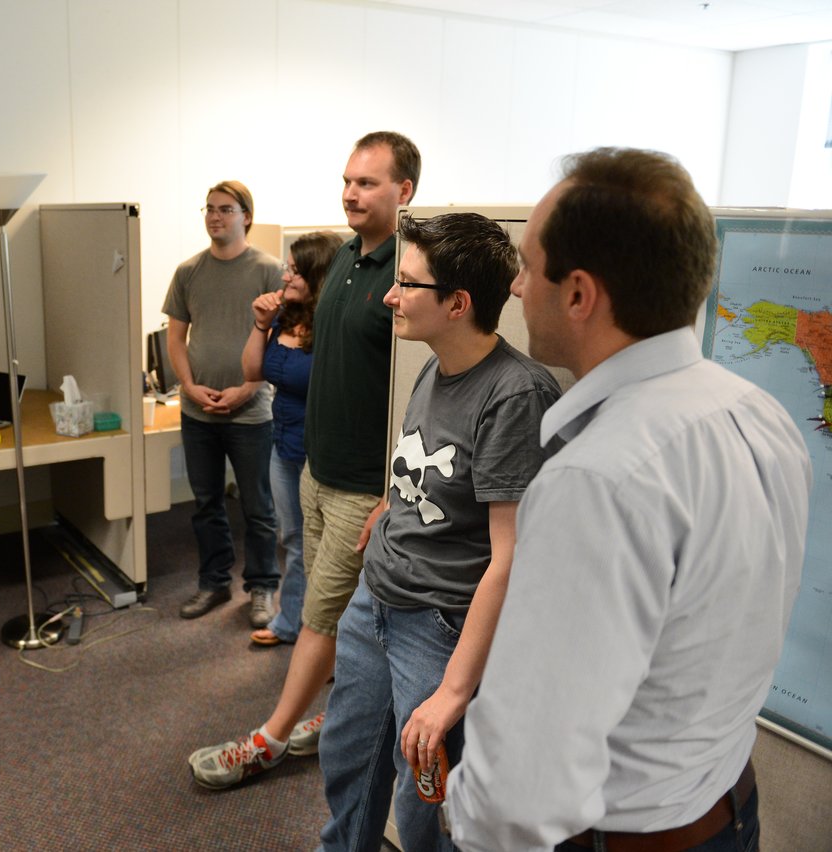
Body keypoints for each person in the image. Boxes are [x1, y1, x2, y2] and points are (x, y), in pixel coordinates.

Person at [445, 148, 812, 851]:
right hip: (729, 810)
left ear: (580, 294)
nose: (517, 288)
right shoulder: (760, 414)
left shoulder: (598, 479)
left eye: (527, 266)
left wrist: (466, 821)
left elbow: (523, 779)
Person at [318, 213, 561, 852]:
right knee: (347, 760)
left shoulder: (514, 395)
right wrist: (388, 508)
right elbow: (423, 465)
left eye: (407, 285)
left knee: (424, 804)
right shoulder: (432, 365)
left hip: (437, 624)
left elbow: (511, 558)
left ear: (457, 304)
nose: (390, 297)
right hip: (377, 601)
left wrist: (454, 690)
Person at [189, 131, 419, 787]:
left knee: (320, 616)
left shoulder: (410, 272)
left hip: (360, 488)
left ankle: (271, 735)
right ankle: (342, 714)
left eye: (368, 183)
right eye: (347, 180)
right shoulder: (346, 258)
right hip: (316, 471)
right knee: (340, 617)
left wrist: (392, 491)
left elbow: (420, 388)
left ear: (403, 192)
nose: (351, 192)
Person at [163, 180, 283, 628]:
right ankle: (213, 582)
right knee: (206, 503)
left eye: (226, 209)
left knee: (258, 507)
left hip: (251, 413)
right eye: (210, 209)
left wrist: (248, 387)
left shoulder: (271, 271)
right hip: (198, 412)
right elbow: (176, 338)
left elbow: (285, 341)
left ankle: (262, 587)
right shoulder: (188, 271)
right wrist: (189, 386)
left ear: (245, 216)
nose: (216, 216)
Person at [240, 230, 342, 647]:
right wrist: (260, 325)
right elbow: (252, 372)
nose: (285, 277)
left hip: (319, 450)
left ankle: (315, 630)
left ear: (317, 276)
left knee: (318, 547)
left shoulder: (334, 324)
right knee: (293, 540)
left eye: (295, 271)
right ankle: (295, 622)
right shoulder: (286, 316)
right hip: (282, 445)